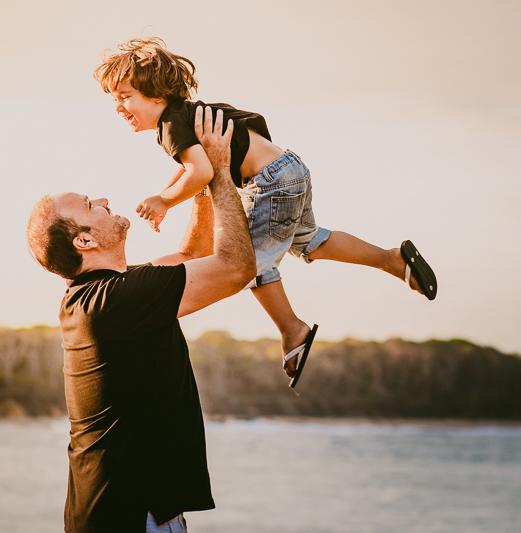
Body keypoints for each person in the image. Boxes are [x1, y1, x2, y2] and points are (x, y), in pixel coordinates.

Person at [94, 37, 438, 390]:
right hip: (288, 168)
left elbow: (200, 173)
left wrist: (164, 202)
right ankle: (392, 259)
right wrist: (165, 193)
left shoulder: (170, 125)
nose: (119, 106)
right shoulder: (189, 113)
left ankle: (293, 330)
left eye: (125, 96)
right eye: (114, 98)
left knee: (247, 264)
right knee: (310, 240)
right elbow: (191, 167)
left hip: (268, 182)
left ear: (156, 93)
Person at [27, 107, 256, 533]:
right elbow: (235, 267)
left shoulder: (99, 296)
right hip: (134, 519)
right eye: (91, 205)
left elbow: (192, 255)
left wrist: (201, 179)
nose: (105, 199)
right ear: (84, 240)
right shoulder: (118, 301)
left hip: (112, 516)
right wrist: (222, 171)